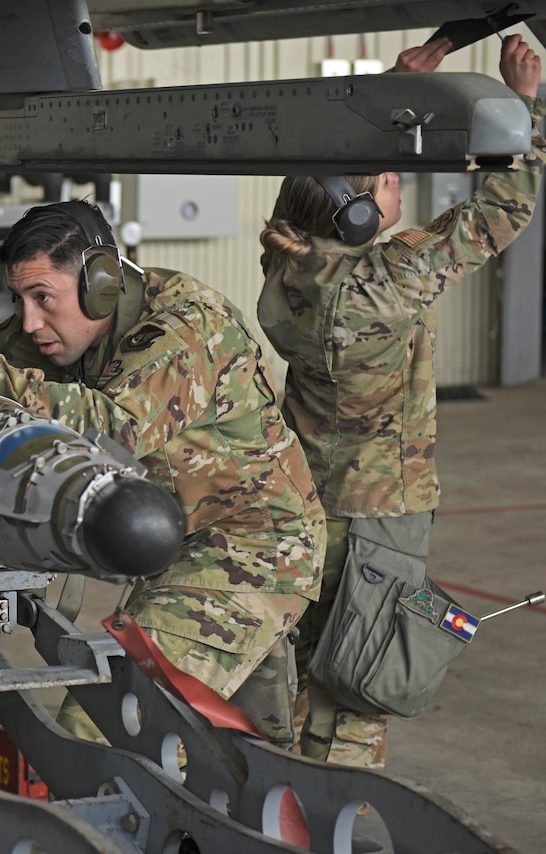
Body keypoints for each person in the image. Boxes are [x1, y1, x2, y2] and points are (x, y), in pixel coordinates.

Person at [0, 200, 326, 745]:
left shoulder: (186, 328)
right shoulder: (62, 330)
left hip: (251, 551)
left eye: (43, 298)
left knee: (109, 732)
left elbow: (113, 430)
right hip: (166, 541)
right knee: (236, 750)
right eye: (20, 299)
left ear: (101, 284)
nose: (29, 321)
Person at [256, 34, 543, 768]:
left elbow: (317, 185)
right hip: (383, 512)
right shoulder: (389, 277)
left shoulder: (287, 269)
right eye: (387, 180)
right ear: (355, 213)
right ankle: (342, 811)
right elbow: (504, 205)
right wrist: (523, 105)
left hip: (307, 500)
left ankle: (281, 809)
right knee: (362, 684)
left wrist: (391, 88)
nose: (399, 188)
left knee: (305, 666)